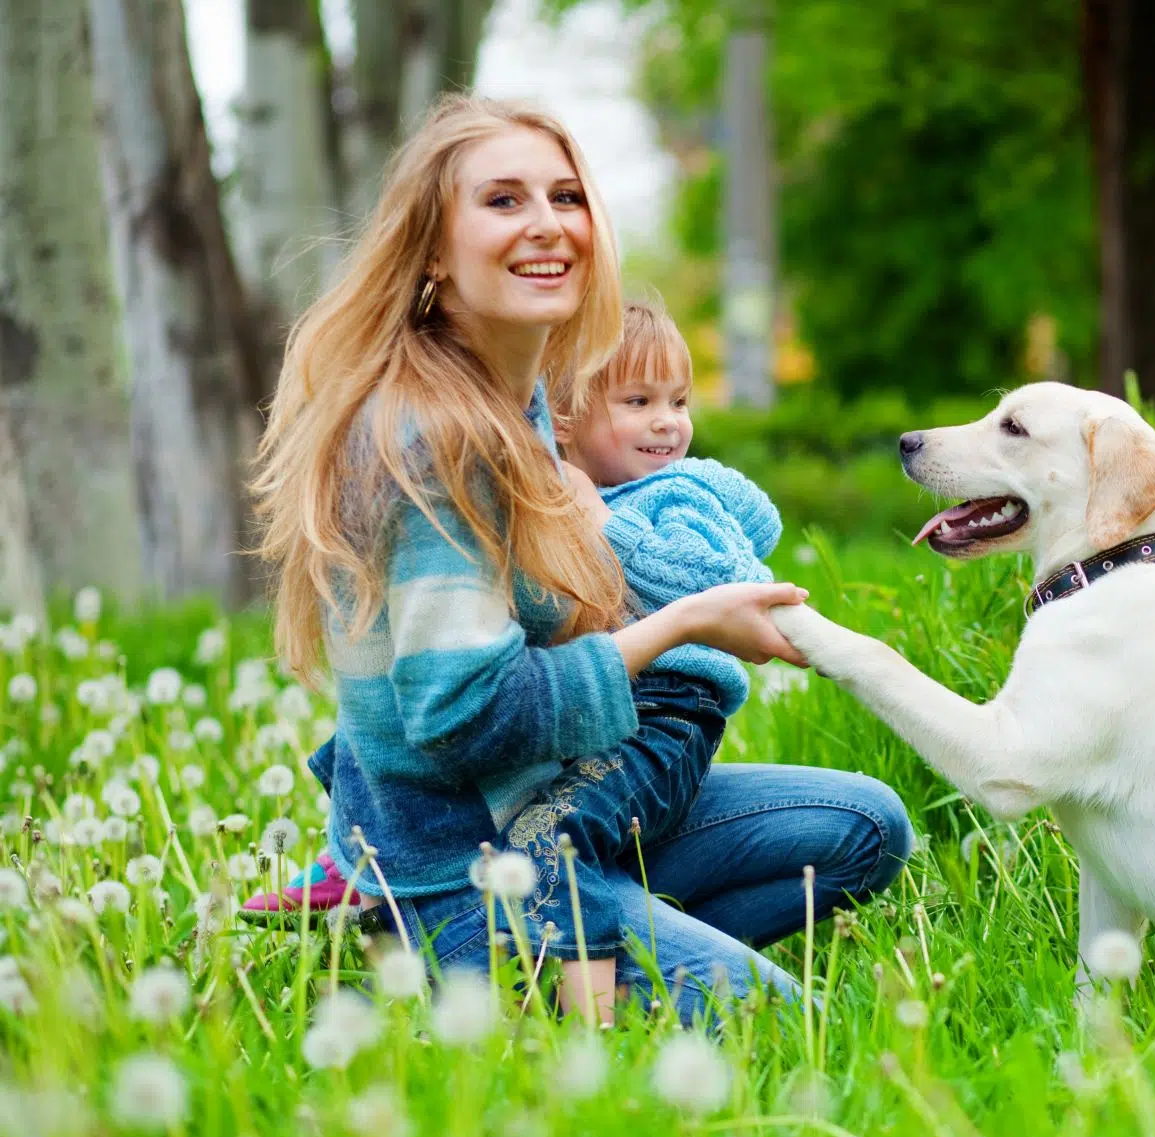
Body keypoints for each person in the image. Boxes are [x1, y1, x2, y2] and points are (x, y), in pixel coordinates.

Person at [250, 94, 912, 1024]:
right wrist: (682, 624)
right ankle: (488, 952)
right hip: (473, 861)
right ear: (434, 251)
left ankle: (607, 940)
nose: (548, 224)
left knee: (866, 828)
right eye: (504, 202)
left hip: (560, 814)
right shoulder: (431, 437)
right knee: (776, 1023)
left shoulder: (517, 406)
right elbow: (460, 718)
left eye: (565, 196)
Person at [248, 298, 782, 954]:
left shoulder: (678, 493)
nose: (668, 424)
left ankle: (598, 967)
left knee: (560, 837)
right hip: (589, 713)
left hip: (667, 711)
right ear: (563, 419)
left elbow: (721, 581)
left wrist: (606, 526)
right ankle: (362, 856)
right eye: (638, 403)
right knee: (387, 701)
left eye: (679, 401)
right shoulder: (542, 480)